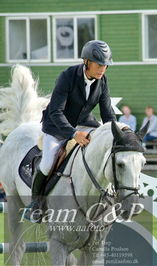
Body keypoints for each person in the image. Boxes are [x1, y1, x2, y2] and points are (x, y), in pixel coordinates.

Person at [27, 40, 116, 222]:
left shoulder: (102, 81)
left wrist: (118, 134)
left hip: (84, 124)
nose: (102, 69)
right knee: (47, 162)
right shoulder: (67, 76)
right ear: (86, 62)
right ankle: (35, 204)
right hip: (56, 126)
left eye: (105, 65)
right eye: (99, 64)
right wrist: (74, 134)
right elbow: (56, 111)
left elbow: (108, 113)